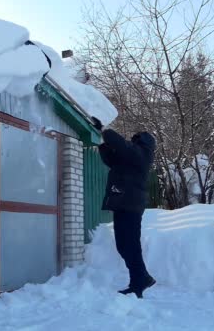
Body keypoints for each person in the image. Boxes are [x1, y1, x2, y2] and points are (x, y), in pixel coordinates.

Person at [92, 116, 157, 298]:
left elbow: (122, 145)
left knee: (131, 245)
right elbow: (111, 159)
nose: (132, 142)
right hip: (123, 203)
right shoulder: (131, 158)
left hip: (131, 205)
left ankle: (140, 280)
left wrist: (104, 129)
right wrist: (102, 143)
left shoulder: (142, 155)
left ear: (143, 143)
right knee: (123, 245)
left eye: (136, 140)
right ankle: (140, 279)